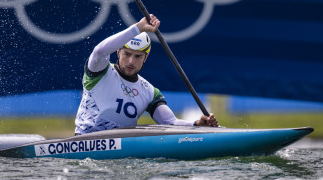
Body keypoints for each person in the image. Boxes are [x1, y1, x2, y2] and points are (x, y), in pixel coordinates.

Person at [74, 14, 219, 135]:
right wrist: (138, 28)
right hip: (85, 142)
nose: (131, 61)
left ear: (145, 58)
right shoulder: (100, 71)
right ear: (118, 52)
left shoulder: (149, 91)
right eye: (127, 54)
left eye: (138, 56)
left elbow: (170, 123)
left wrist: (197, 124)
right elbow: (99, 51)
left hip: (120, 156)